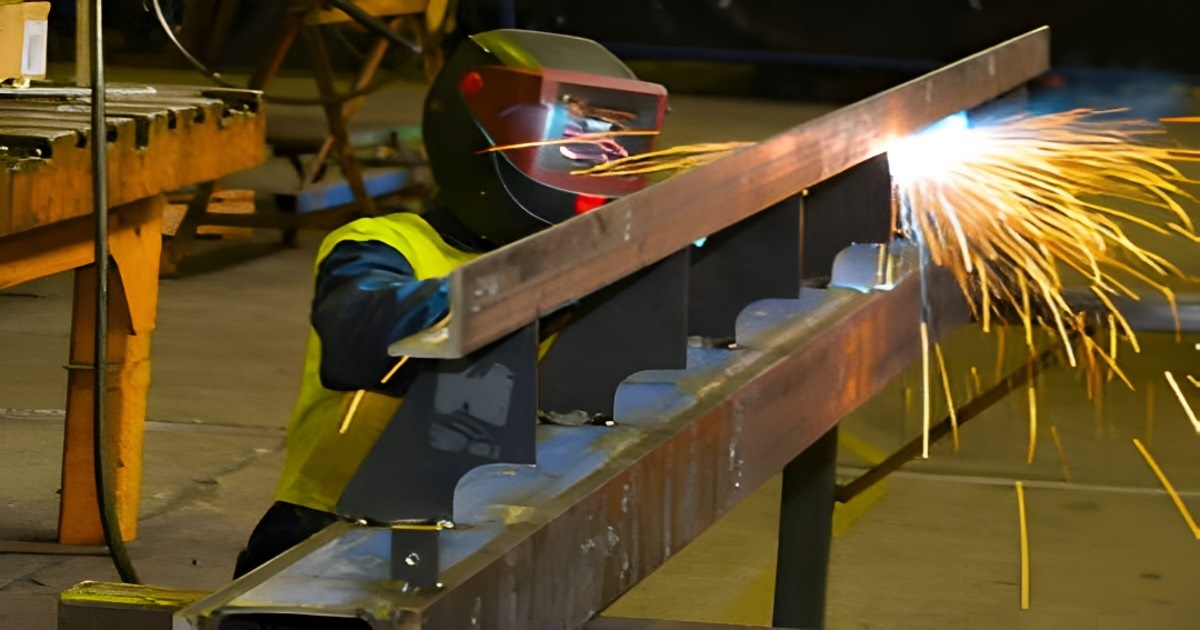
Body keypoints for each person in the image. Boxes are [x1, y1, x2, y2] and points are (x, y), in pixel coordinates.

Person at [233, 28, 669, 578]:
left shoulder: (608, 260)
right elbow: (363, 337)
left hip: (491, 520)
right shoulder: (382, 244)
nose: (598, 154)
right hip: (336, 523)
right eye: (578, 136)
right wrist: (550, 282)